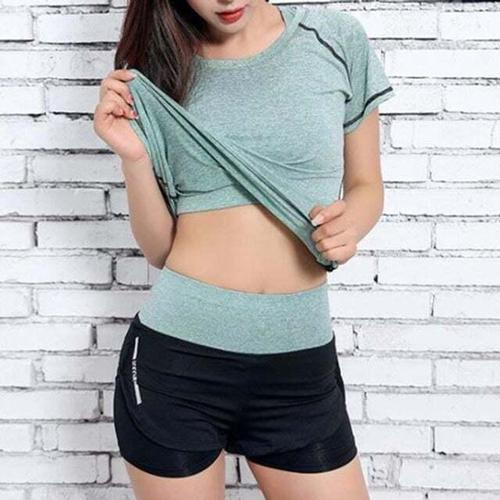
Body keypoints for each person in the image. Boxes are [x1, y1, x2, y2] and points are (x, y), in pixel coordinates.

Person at [93, 0, 395, 498]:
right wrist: (135, 158)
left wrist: (353, 224)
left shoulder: (335, 40)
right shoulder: (156, 70)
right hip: (178, 364)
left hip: (299, 368)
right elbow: (160, 249)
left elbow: (367, 186)